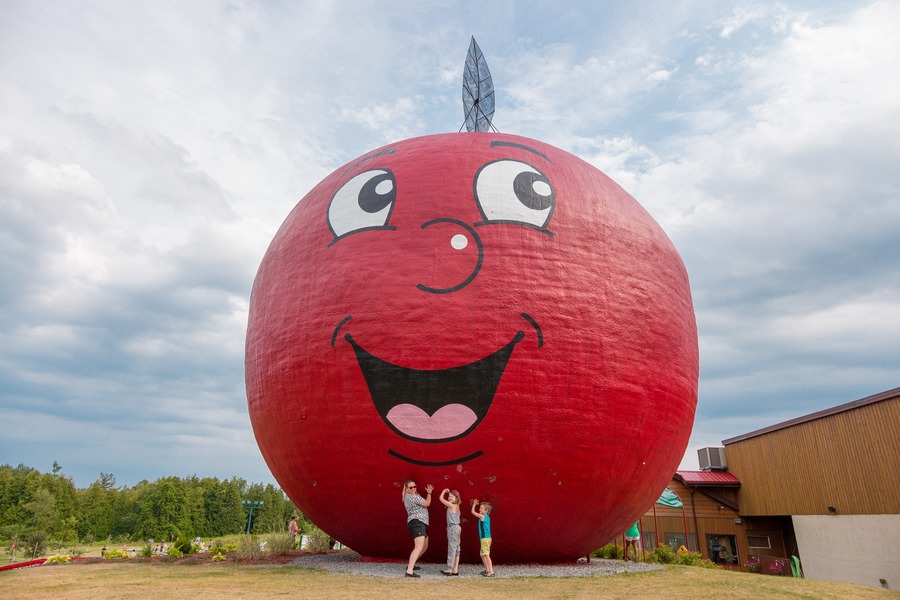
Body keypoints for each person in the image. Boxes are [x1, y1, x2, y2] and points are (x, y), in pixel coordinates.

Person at [402, 480, 434, 577]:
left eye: (414, 487)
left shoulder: (415, 496)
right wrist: (429, 493)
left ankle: (410, 565)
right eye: (410, 487)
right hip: (417, 522)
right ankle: (409, 571)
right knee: (419, 547)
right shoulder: (411, 497)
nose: (413, 489)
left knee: (424, 547)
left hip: (422, 523)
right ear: (406, 489)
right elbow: (427, 503)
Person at [438, 489, 462, 576]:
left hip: (453, 528)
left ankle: (449, 569)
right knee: (456, 548)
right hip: (457, 527)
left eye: (452, 496)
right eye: (449, 496)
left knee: (452, 548)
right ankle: (455, 569)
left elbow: (440, 498)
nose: (450, 498)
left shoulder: (452, 505)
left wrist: (444, 491)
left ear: (456, 498)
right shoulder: (457, 506)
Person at [471, 498, 494, 577]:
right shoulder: (487, 517)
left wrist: (474, 504)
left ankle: (491, 572)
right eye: (480, 507)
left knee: (486, 555)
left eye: (481, 508)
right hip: (487, 539)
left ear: (486, 510)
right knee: (482, 555)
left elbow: (473, 512)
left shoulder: (482, 516)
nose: (479, 509)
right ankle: (487, 570)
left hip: (485, 539)